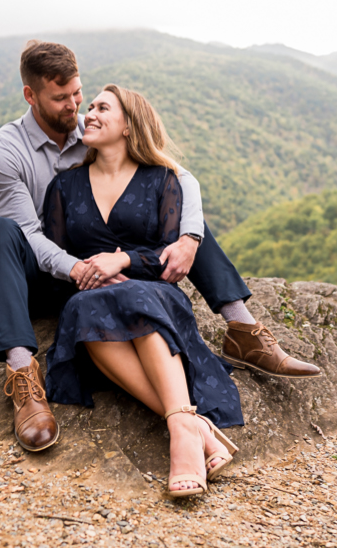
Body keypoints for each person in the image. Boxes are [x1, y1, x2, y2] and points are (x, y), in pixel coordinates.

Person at [0, 40, 319, 454]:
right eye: (60, 98)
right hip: (44, 276)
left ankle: (242, 329)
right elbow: (29, 234)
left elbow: (177, 176)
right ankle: (23, 380)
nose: (74, 107)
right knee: (0, 231)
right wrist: (81, 269)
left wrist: (189, 239)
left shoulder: (91, 129)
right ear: (30, 95)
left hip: (110, 269)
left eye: (77, 95)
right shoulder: (2, 151)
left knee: (185, 218)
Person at [43, 84, 242, 496]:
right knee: (86, 309)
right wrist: (88, 272)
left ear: (130, 126)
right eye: (90, 106)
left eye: (102, 108)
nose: (89, 114)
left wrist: (125, 261)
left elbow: (170, 258)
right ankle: (189, 425)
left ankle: (183, 436)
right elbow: (58, 256)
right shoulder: (63, 187)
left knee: (135, 296)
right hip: (90, 296)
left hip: (153, 291)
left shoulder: (163, 180)